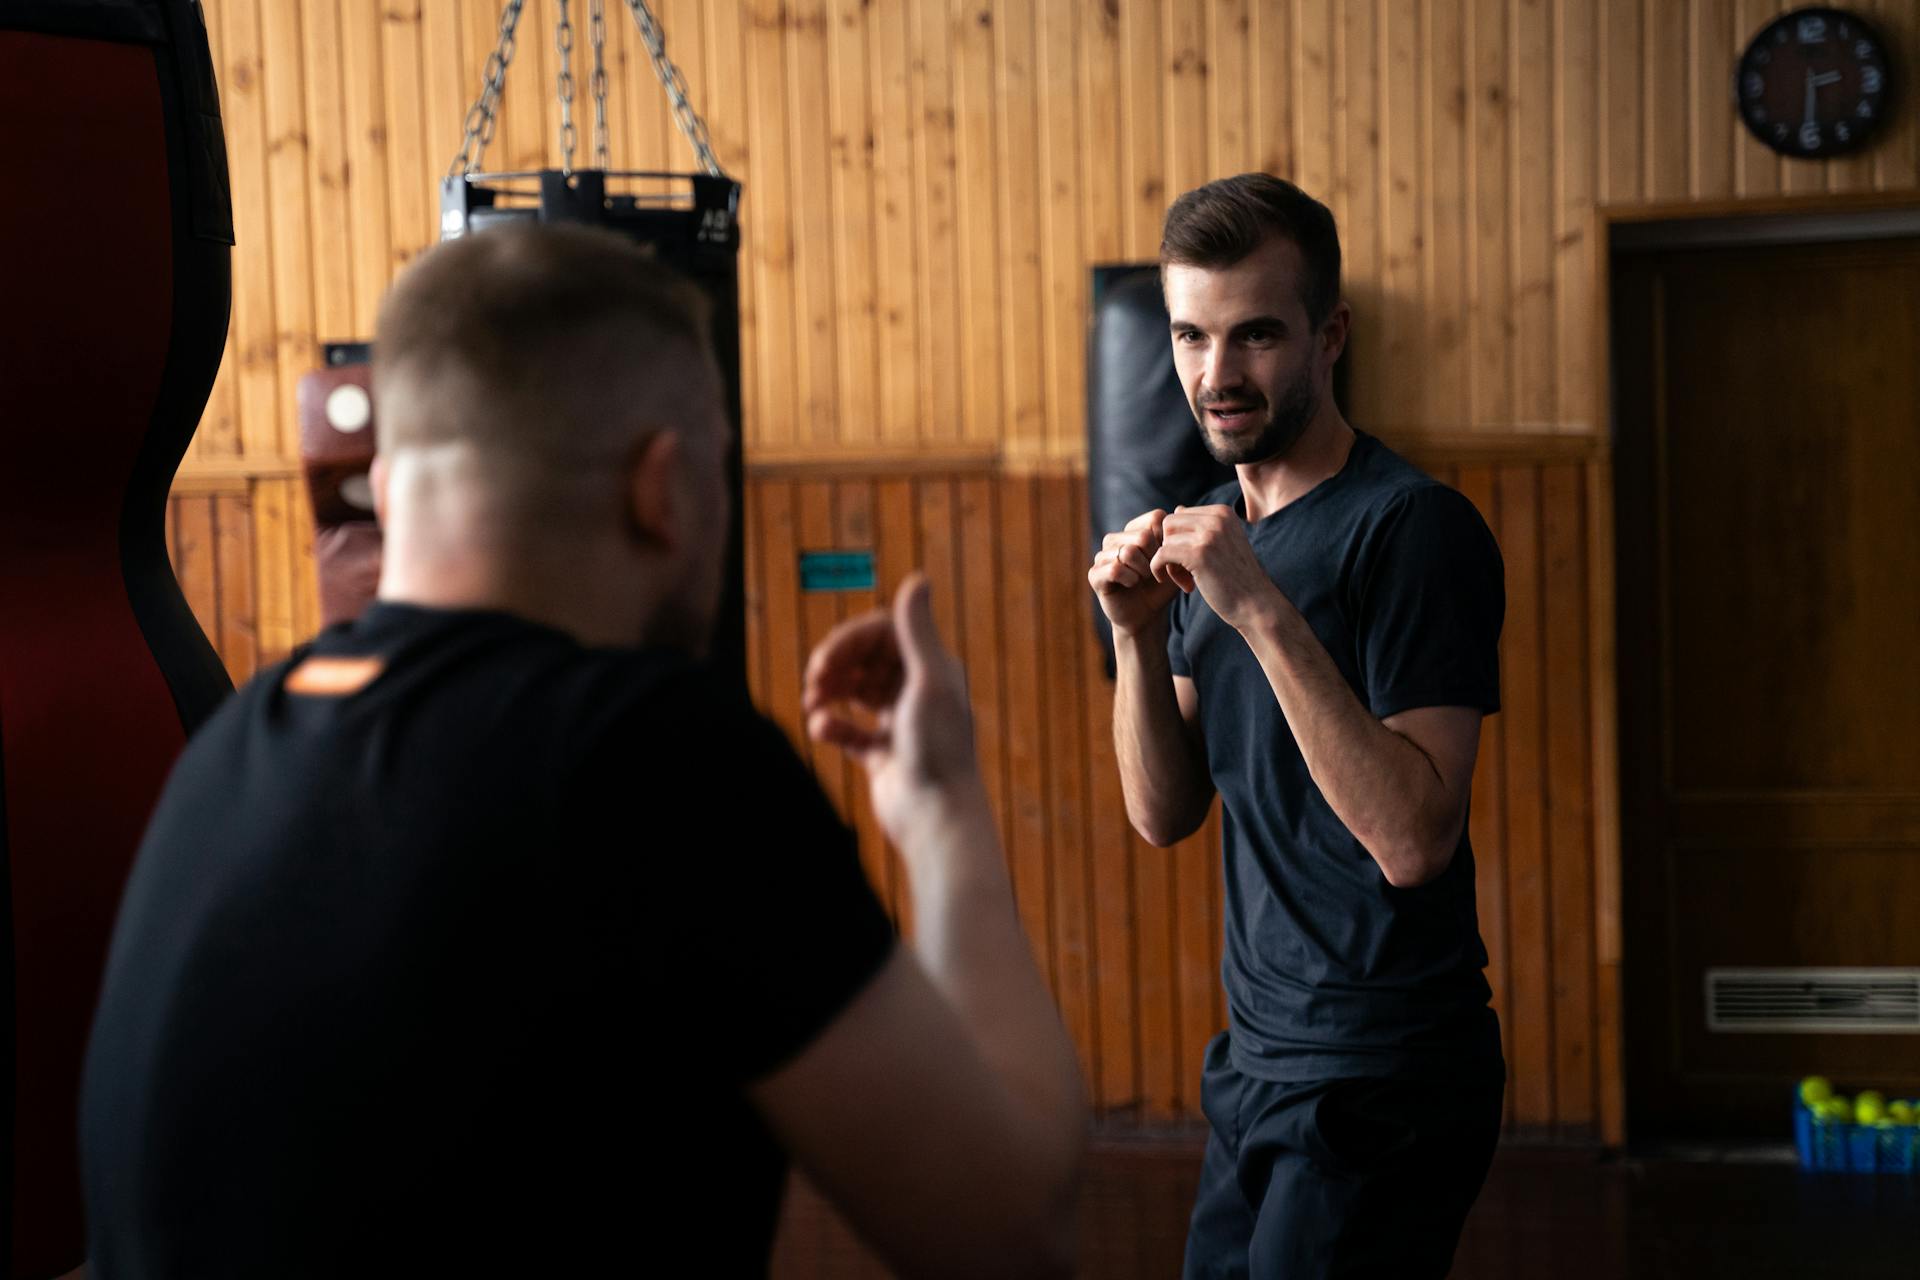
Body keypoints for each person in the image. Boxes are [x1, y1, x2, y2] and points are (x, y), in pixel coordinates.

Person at [81, 223, 1086, 1279]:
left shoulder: (235, 742)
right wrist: (943, 804)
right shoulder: (651, 756)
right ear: (664, 485)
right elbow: (1013, 1231)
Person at [1088, 174, 1507, 1278]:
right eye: (1191, 335)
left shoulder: (1411, 527)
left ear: (1330, 336)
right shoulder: (1217, 534)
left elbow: (1415, 838)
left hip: (1384, 1070)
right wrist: (1134, 637)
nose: (1216, 375)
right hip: (1259, 1062)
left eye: (1256, 335)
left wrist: (1261, 607)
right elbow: (1162, 812)